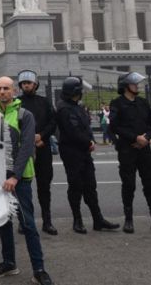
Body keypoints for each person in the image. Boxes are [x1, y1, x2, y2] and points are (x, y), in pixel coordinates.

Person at [0, 77, 54, 285]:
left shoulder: (25, 115)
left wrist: (15, 176)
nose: (2, 92)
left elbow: (27, 148)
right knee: (4, 222)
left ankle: (39, 269)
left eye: (6, 88)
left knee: (28, 224)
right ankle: (9, 263)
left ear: (14, 90)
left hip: (20, 177)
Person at [108, 72, 151, 234]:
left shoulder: (143, 103)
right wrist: (134, 137)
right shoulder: (117, 104)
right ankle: (128, 219)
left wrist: (147, 137)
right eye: (133, 84)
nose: (137, 86)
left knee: (150, 184)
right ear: (125, 86)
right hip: (127, 149)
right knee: (129, 184)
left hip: (144, 149)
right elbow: (115, 126)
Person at [54, 77, 118, 234]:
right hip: (71, 152)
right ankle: (77, 220)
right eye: (79, 91)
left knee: (90, 185)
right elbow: (72, 131)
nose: (81, 94)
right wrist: (88, 142)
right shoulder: (64, 108)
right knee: (76, 186)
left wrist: (90, 140)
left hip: (83, 151)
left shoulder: (76, 106)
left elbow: (86, 126)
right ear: (73, 92)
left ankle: (98, 219)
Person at [16, 70, 58, 236]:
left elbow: (52, 121)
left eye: (29, 83)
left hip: (42, 146)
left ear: (35, 84)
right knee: (22, 187)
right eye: (23, 83)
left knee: (44, 186)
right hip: (23, 150)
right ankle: (24, 221)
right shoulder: (16, 102)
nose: (26, 85)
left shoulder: (44, 102)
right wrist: (26, 139)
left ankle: (47, 221)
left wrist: (42, 136)